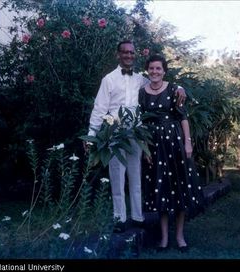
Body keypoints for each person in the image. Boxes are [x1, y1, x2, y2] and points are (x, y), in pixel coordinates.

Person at [86, 40, 187, 233]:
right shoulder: (109, 79)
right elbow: (99, 108)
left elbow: (161, 83)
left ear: (135, 55)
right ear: (118, 55)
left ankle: (137, 216)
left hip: (136, 134)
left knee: (136, 175)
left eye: (132, 53)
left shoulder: (141, 79)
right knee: (117, 177)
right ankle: (119, 218)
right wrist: (92, 134)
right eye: (125, 53)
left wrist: (181, 87)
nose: (129, 56)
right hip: (114, 134)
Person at [138, 54, 204, 252]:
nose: (155, 72)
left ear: (164, 71)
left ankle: (180, 236)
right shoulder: (142, 93)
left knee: (180, 189)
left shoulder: (175, 89)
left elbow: (183, 117)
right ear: (147, 70)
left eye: (158, 68)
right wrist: (145, 148)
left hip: (175, 144)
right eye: (152, 68)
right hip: (155, 146)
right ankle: (165, 238)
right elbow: (141, 123)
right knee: (161, 191)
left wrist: (188, 143)